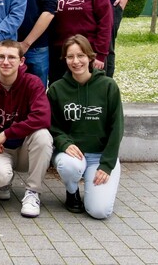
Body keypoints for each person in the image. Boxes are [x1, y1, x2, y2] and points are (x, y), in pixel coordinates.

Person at [49, 34, 124, 220]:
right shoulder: (57, 89)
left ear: (90, 57)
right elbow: (50, 125)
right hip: (72, 154)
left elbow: (117, 128)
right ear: (65, 59)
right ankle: (72, 191)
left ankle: (94, 187)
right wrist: (64, 143)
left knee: (99, 212)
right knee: (68, 165)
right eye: (70, 57)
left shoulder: (108, 86)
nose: (76, 61)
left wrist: (107, 165)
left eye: (81, 55)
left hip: (100, 156)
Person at [0, 40, 52, 218]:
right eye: (1, 56)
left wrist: (6, 133)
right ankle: (3, 183)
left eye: (12, 57)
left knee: (43, 136)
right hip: (0, 149)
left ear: (22, 61)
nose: (6, 62)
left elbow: (43, 117)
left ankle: (33, 192)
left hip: (26, 148)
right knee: (0, 176)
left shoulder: (32, 83)